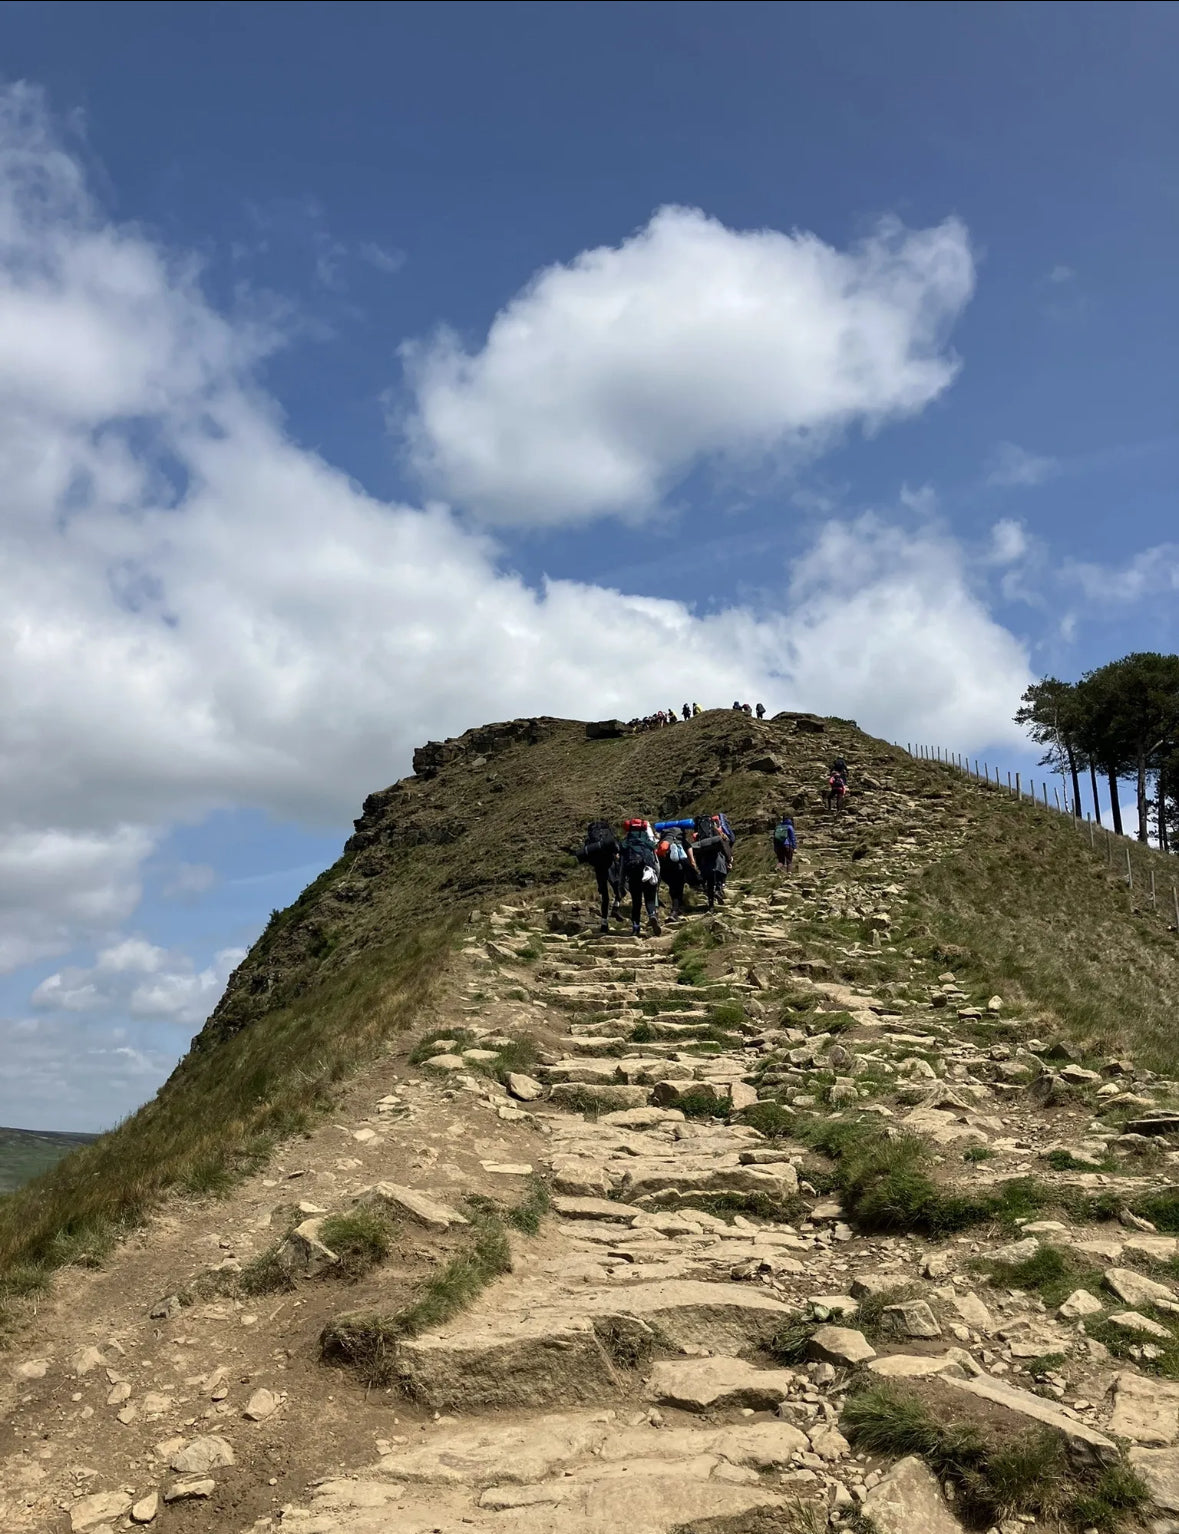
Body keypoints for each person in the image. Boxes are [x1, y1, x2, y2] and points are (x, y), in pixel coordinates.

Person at [568, 819, 622, 932]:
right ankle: (616, 907)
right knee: (619, 888)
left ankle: (604, 922)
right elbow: (617, 849)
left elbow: (587, 856)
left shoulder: (590, 840)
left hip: (599, 867)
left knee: (605, 896)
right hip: (610, 864)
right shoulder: (609, 836)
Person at [620, 817, 662, 937]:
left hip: (633, 875)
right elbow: (656, 863)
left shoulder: (626, 844)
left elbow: (622, 866)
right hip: (648, 873)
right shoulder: (649, 843)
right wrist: (657, 879)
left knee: (636, 902)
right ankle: (652, 915)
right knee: (649, 898)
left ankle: (636, 927)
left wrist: (621, 883)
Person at [656, 824, 696, 921]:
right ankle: (674, 912)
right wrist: (692, 863)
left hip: (664, 867)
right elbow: (689, 850)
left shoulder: (663, 840)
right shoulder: (682, 840)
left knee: (672, 887)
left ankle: (674, 910)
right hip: (678, 866)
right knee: (678, 888)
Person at [692, 813, 729, 911]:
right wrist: (728, 859)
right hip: (717, 859)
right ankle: (718, 890)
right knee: (721, 875)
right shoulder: (715, 830)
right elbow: (726, 841)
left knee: (709, 882)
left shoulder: (698, 834)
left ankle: (711, 905)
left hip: (704, 861)